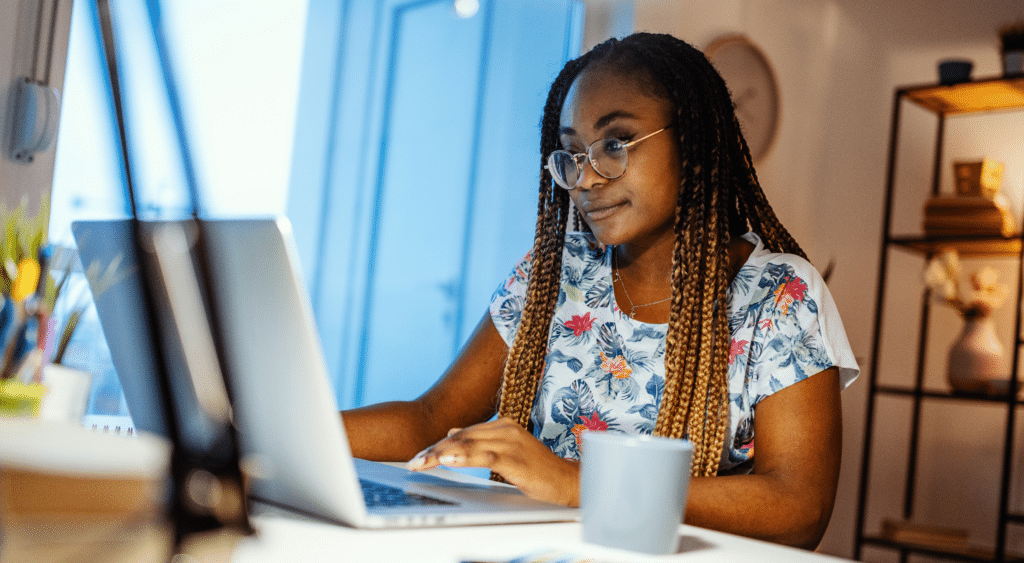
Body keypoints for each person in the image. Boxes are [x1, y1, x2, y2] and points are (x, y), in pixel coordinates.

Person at [341, 32, 859, 549]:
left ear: (693, 140)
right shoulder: (555, 274)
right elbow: (430, 417)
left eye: (614, 144)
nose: (586, 179)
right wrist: (276, 430)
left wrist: (578, 485)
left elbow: (799, 508)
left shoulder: (778, 295)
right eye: (571, 154)